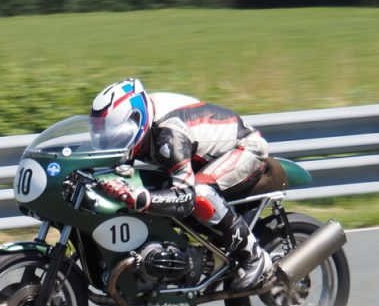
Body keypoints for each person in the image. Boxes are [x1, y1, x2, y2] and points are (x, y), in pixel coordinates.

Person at [89, 78, 274, 292]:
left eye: (116, 135)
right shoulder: (143, 126)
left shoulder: (168, 135)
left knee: (200, 194)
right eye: (104, 135)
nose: (111, 141)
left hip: (245, 148)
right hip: (201, 158)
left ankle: (252, 255)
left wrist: (139, 199)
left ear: (137, 119)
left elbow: (185, 197)